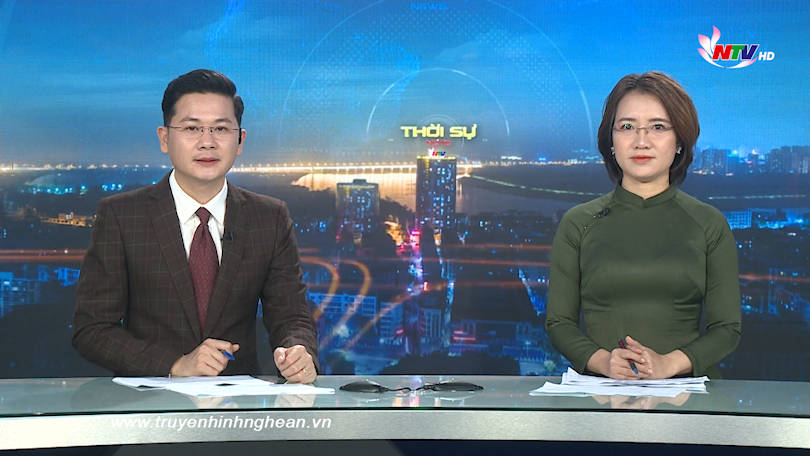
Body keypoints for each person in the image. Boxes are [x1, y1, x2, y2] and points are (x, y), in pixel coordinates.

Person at [73, 69, 318, 382]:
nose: (207, 143)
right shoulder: (122, 216)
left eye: (221, 129)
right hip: (147, 404)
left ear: (240, 140)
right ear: (164, 138)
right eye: (192, 128)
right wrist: (175, 365)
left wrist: (298, 351)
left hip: (238, 404)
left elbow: (291, 315)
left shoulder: (269, 217)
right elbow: (92, 330)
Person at [545, 71, 741, 380]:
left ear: (680, 141)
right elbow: (559, 323)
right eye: (627, 127)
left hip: (686, 395)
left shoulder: (709, 224)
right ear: (611, 141)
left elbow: (727, 329)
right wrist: (604, 362)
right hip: (601, 394)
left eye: (658, 127)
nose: (641, 141)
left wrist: (668, 364)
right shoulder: (578, 223)